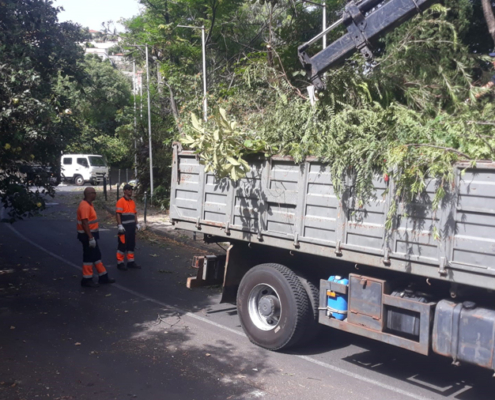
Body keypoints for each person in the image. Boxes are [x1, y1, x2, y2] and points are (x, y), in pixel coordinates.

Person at [77, 187, 115, 288]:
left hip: (91, 234)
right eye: (94, 193)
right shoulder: (84, 206)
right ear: (89, 194)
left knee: (96, 256)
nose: (95, 194)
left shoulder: (89, 204)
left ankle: (103, 277)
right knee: (89, 257)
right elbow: (85, 223)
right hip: (87, 236)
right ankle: (86, 279)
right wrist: (90, 238)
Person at [115, 184, 142, 270]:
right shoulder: (120, 201)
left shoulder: (132, 202)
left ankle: (131, 262)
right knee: (122, 245)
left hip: (131, 227)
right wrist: (119, 225)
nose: (130, 190)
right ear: (124, 191)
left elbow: (134, 214)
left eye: (131, 189)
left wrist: (137, 223)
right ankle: (120, 263)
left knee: (131, 245)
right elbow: (118, 214)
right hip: (124, 227)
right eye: (128, 189)